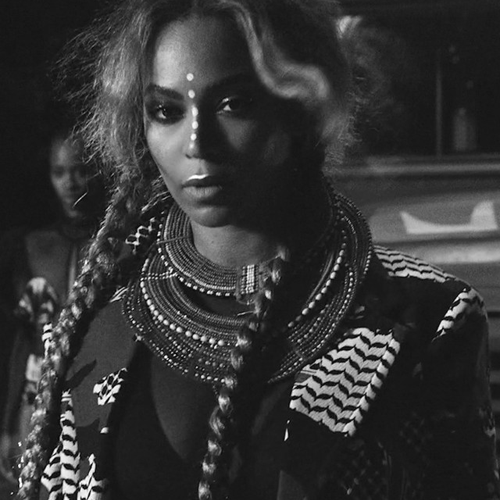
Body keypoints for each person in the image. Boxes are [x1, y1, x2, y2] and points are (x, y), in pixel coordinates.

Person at [16, 1, 499, 499]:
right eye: (167, 111)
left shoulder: (426, 321)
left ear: (301, 108)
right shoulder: (94, 322)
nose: (197, 142)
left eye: (233, 104)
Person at [0, 121, 102, 491]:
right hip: (35, 403)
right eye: (59, 172)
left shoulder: (121, 247)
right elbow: (25, 342)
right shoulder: (31, 246)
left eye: (80, 170)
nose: (70, 183)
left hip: (93, 397)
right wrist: (8, 424)